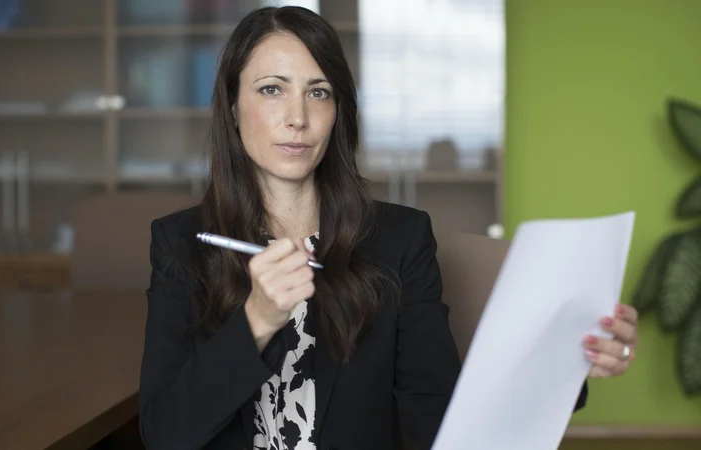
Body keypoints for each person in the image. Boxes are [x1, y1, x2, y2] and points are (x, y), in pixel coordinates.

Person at [137, 6, 640, 450]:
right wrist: (257, 320)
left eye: (319, 93)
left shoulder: (400, 239)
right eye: (272, 90)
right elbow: (166, 434)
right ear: (231, 105)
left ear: (339, 112)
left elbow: (440, 420)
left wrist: (565, 364)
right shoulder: (181, 244)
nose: (298, 118)